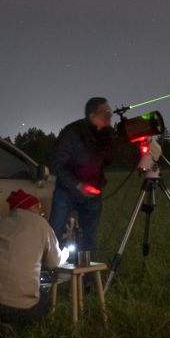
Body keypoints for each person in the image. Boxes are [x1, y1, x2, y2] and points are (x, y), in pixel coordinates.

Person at [0, 189, 67, 331]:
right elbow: (53, 262)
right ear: (27, 207)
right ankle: (12, 326)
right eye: (38, 207)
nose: (41, 212)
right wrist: (63, 256)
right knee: (45, 300)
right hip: (21, 308)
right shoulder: (42, 226)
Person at [48, 97, 117, 258]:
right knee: (54, 235)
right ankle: (49, 273)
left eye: (110, 112)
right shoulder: (71, 132)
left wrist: (110, 141)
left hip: (92, 194)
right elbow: (58, 164)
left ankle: (86, 279)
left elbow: (108, 160)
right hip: (67, 192)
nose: (110, 115)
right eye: (106, 112)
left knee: (89, 240)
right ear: (93, 116)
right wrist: (78, 185)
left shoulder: (106, 134)